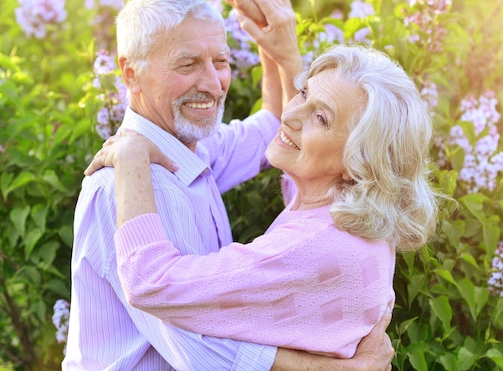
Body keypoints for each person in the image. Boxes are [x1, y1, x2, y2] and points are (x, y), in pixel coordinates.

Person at [64, 0, 393, 371]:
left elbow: (277, 123)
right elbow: (197, 350)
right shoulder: (132, 187)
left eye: (219, 60)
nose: (214, 83)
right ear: (131, 73)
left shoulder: (192, 153)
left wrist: (276, 44)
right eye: (187, 65)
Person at [86, 45, 440, 359]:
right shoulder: (349, 210)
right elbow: (298, 190)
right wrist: (279, 50)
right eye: (303, 92)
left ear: (359, 161)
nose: (289, 116)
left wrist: (132, 156)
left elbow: (151, 282)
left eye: (321, 118)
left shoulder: (311, 246)